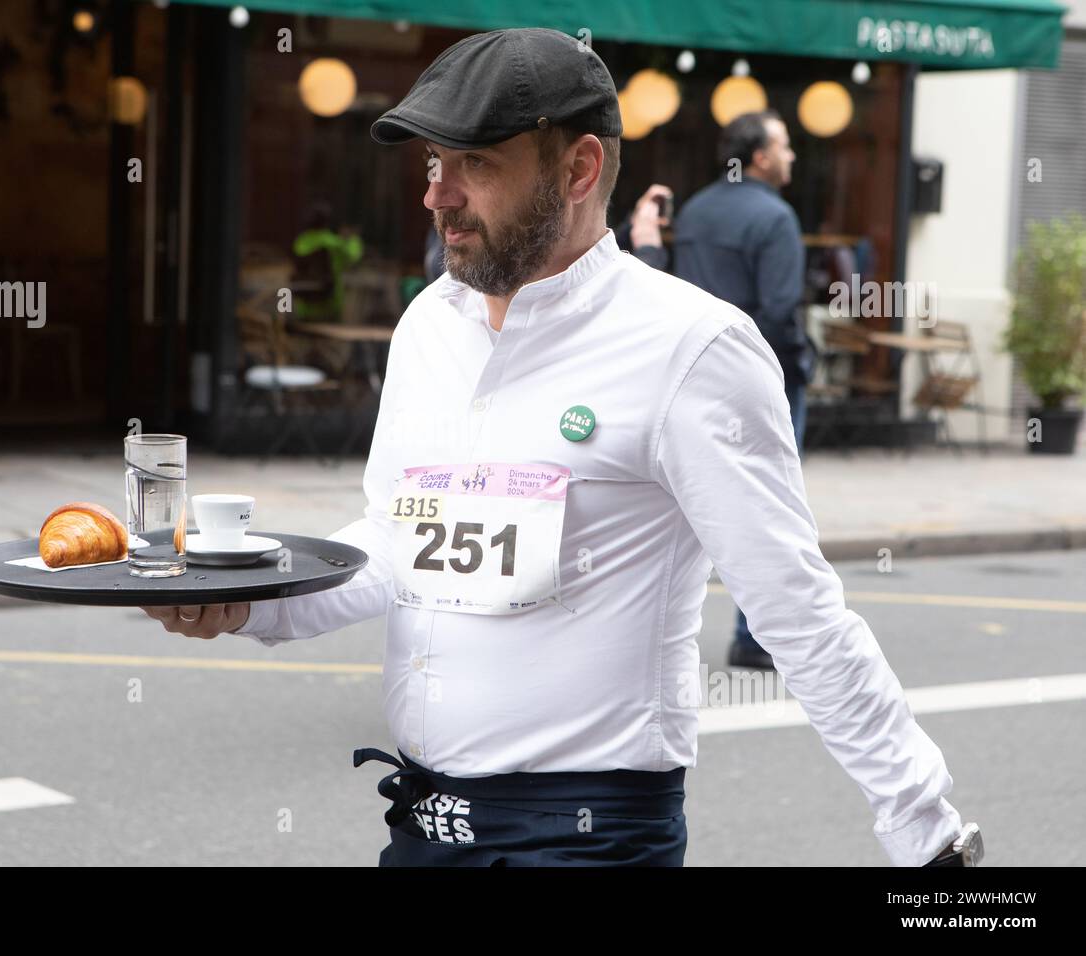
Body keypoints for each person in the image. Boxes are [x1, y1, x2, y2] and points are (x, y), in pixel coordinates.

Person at [142, 29, 971, 869]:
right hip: (424, 824)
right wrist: (252, 600)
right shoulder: (430, 323)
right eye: (434, 163)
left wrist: (923, 828)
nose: (437, 196)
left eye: (475, 165)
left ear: (577, 170)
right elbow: (397, 541)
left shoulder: (692, 347)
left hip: (587, 835)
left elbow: (796, 609)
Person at [618, 111, 813, 671]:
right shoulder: (776, 218)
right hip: (756, 378)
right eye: (785, 146)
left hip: (690, 374)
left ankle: (647, 631)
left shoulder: (700, 207)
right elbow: (779, 310)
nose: (793, 156)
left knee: (679, 507)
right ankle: (756, 638)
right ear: (759, 157)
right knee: (769, 509)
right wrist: (800, 362)